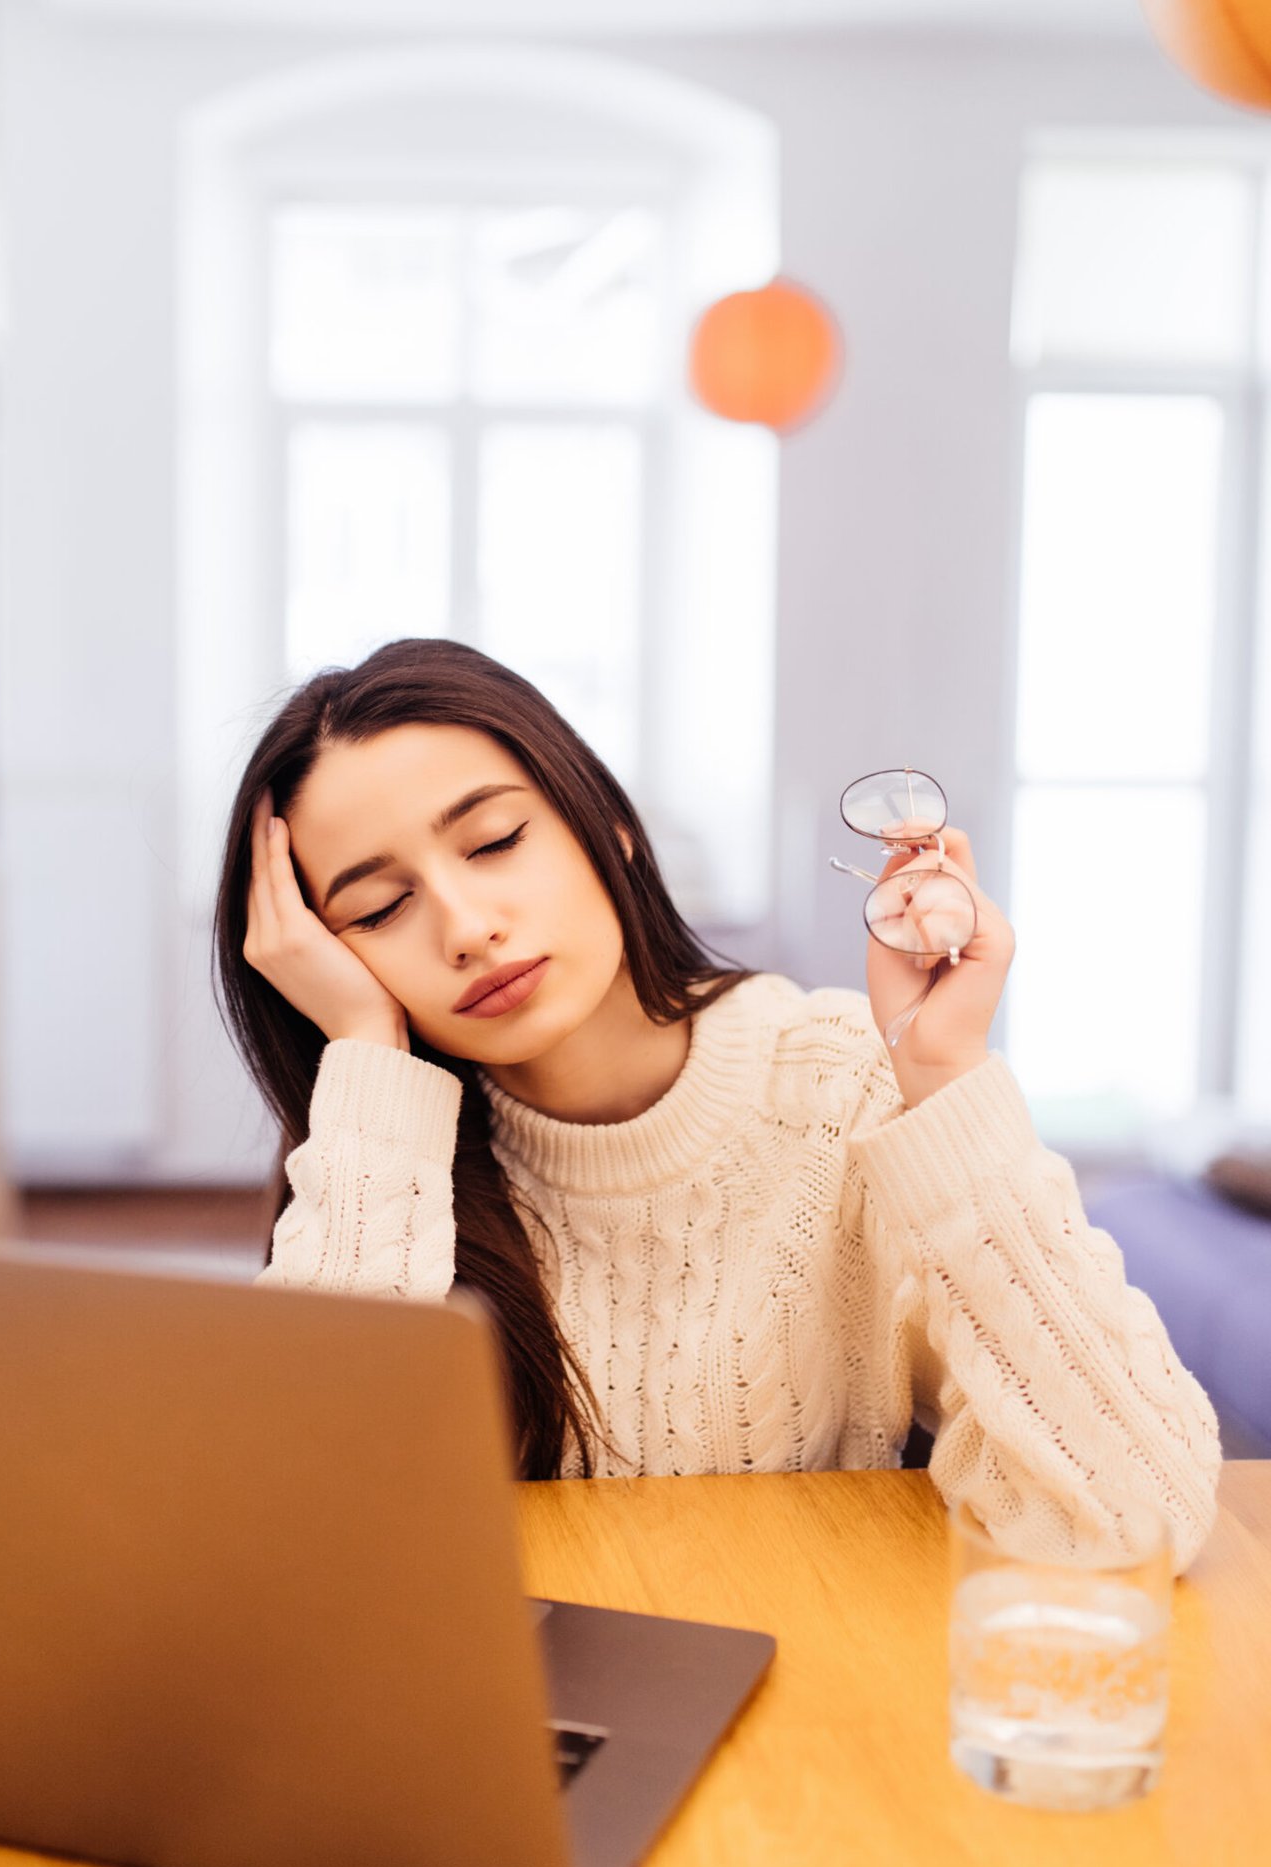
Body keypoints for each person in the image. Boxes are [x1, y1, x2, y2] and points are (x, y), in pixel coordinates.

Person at [212, 638, 1221, 1569]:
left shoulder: (840, 1087)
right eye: (379, 909)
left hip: (813, 1696)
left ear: (608, 827)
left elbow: (1134, 1520)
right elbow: (305, 1561)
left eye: (494, 841)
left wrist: (949, 1076)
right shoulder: (381, 1157)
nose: (466, 928)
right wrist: (364, 1058)